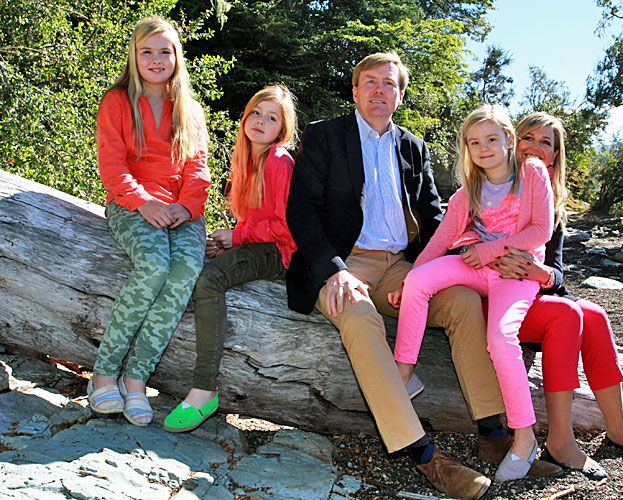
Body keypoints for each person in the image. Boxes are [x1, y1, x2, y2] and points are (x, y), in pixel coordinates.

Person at [285, 52, 503, 499]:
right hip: (345, 263)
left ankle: (496, 435)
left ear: (401, 95)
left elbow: (435, 215)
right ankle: (425, 456)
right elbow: (300, 211)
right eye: (369, 82)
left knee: (461, 301)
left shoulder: (412, 146)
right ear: (355, 91)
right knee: (360, 315)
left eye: (389, 83)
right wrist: (335, 270)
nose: (379, 91)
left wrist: (456, 258)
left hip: (403, 267)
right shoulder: (324, 137)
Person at [487, 111, 623, 478]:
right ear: (512, 142)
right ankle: (560, 441)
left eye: (546, 143)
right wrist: (500, 261)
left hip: (530, 295)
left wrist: (541, 274)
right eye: (528, 138)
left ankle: (618, 429)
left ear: (555, 156)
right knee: (566, 316)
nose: (535, 148)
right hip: (493, 301)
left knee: (595, 314)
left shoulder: (550, 202)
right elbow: (467, 245)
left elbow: (556, 274)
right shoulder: (492, 184)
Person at [388, 104, 554, 481]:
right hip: (478, 268)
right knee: (419, 281)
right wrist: (407, 278)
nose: (483, 148)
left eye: (492, 139)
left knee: (499, 338)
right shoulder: (468, 192)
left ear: (510, 140)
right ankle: (405, 373)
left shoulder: (532, 172)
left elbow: (540, 232)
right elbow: (440, 242)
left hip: (515, 273)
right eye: (474, 142)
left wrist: (489, 250)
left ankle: (524, 438)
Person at [90, 17, 210, 426]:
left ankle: (136, 379)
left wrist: (186, 207)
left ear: (177, 58)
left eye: (165, 51)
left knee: (185, 270)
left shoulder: (190, 111)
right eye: (147, 51)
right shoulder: (117, 101)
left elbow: (198, 169)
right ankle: (104, 373)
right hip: (131, 204)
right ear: (135, 57)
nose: (157, 59)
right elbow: (112, 164)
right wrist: (143, 203)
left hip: (181, 212)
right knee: (155, 264)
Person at [163, 84, 298, 432]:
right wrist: (231, 242)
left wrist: (236, 237)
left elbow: (286, 227)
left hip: (281, 254)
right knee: (199, 266)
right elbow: (254, 219)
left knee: (209, 281)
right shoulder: (247, 158)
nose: (260, 121)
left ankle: (203, 388)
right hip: (259, 244)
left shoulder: (279, 160)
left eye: (271, 118)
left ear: (281, 130)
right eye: (255, 112)